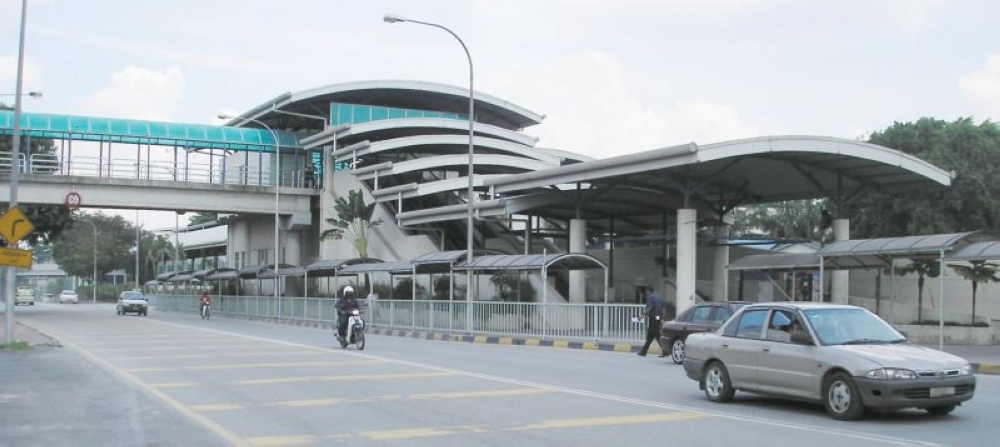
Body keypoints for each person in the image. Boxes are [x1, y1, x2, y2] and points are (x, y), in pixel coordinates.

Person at [637, 287, 665, 357]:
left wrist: (642, 315)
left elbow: (650, 308)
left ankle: (664, 350)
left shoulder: (650, 297)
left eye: (646, 292)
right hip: (658, 318)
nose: (646, 293)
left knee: (657, 335)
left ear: (648, 291)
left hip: (653, 318)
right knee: (650, 336)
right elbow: (663, 309)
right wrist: (662, 319)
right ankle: (643, 351)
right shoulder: (658, 297)